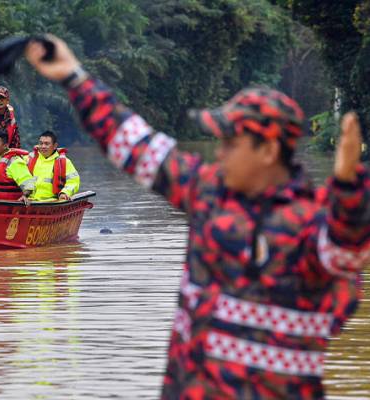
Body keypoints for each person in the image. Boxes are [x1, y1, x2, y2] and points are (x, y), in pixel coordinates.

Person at [25, 36, 370, 399]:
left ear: (268, 151)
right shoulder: (209, 194)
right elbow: (134, 143)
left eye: (231, 143)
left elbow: (345, 253)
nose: (219, 153)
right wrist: (73, 76)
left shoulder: (310, 222)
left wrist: (348, 191)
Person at [27, 130, 80, 201]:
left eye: (46, 144)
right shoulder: (29, 158)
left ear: (55, 146)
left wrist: (64, 193)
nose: (43, 146)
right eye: (41, 143)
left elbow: (73, 182)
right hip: (29, 201)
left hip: (52, 201)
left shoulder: (64, 162)